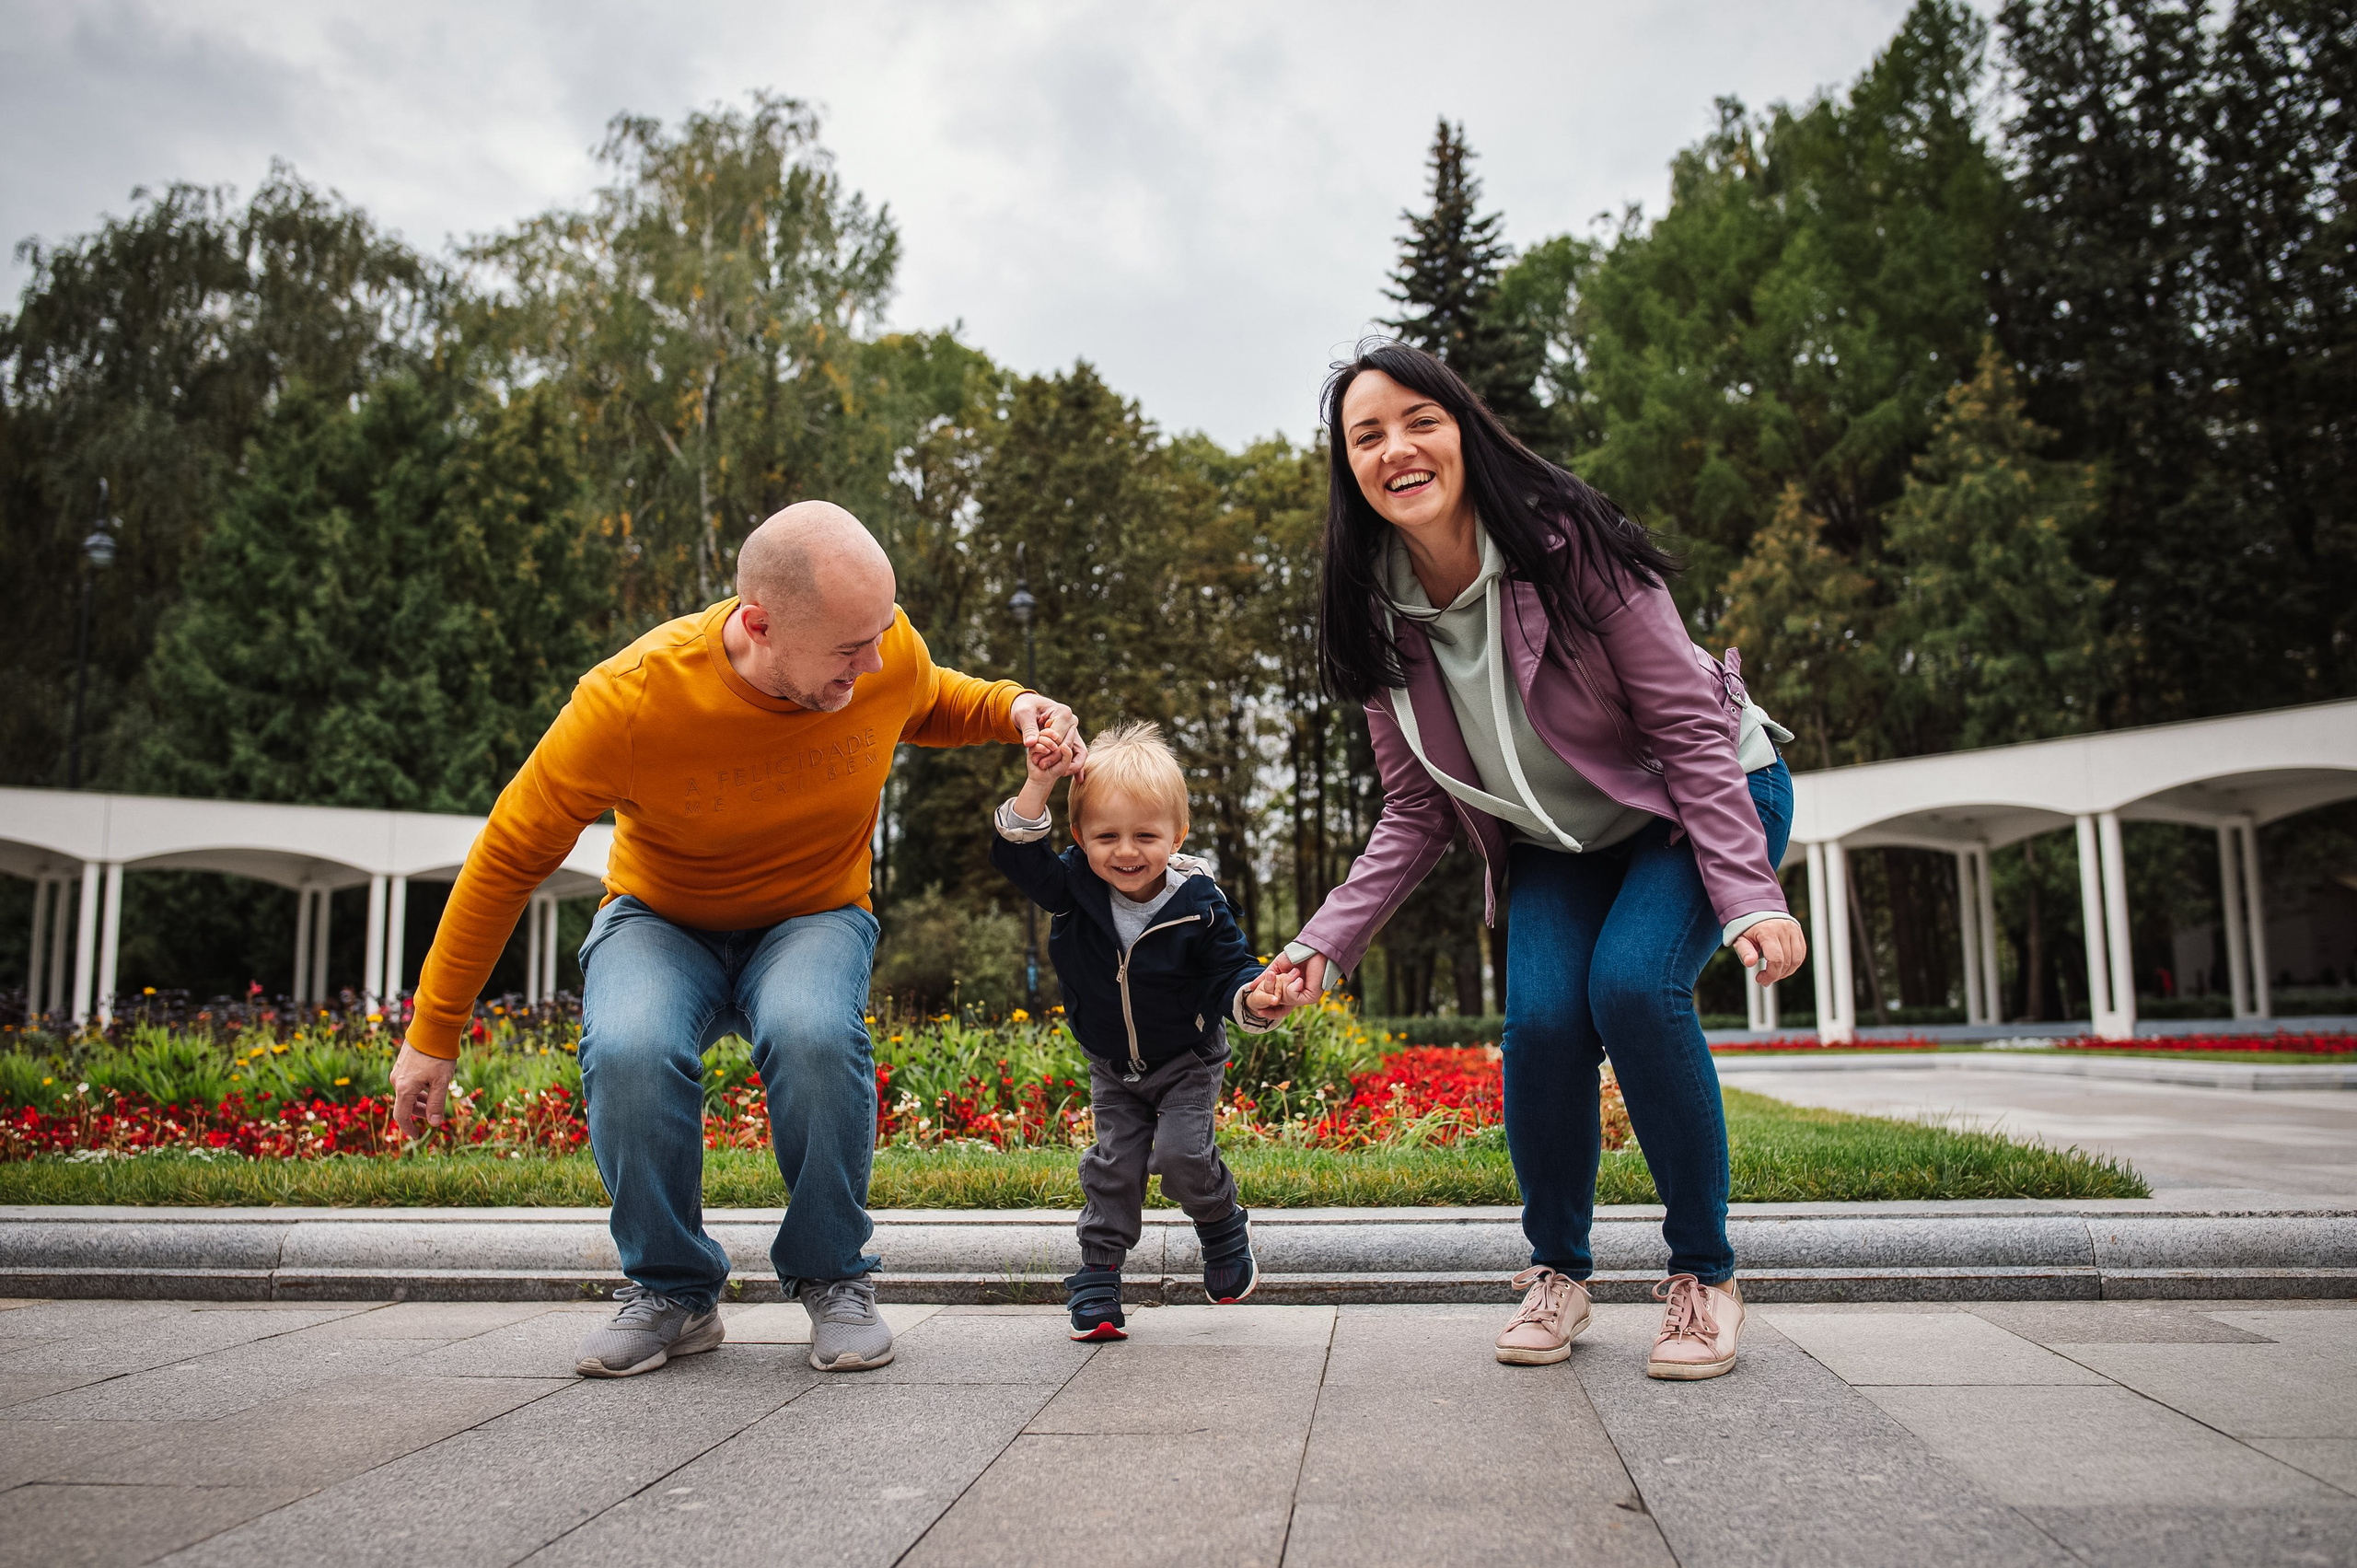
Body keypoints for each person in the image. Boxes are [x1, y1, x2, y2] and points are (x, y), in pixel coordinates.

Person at [389, 501, 1082, 1377]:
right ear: (758, 623)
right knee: (632, 1047)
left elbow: (928, 692)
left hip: (813, 912)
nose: (872, 664)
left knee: (814, 1031)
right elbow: (505, 859)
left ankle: (835, 1273)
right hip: (661, 917)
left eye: (879, 636)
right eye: (846, 649)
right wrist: (433, 1031)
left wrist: (1017, 706)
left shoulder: (880, 649)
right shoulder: (629, 698)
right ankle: (673, 1289)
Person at [1262, 343, 1807, 1382]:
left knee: (1633, 990)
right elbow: (1417, 806)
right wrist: (1322, 945)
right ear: (1349, 469)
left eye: (1418, 419)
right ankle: (1557, 1270)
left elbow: (1691, 732)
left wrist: (1746, 895)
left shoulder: (1571, 548)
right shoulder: (1374, 608)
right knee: (1544, 1022)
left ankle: (1704, 1275)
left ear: (1463, 428)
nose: (1397, 448)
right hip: (1561, 841)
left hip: (1702, 801)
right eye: (1365, 435)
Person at [989, 721, 1306, 1340]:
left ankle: (1221, 1225)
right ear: (1079, 836)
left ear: (1177, 834)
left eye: (1145, 835)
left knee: (1185, 1155)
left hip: (1185, 1058)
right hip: (1112, 1062)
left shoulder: (1199, 903)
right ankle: (1100, 1277)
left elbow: (1230, 971)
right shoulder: (1074, 889)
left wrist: (1257, 993)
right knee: (1115, 1166)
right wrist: (1039, 780)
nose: (1126, 852)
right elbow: (1017, 856)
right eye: (1105, 836)